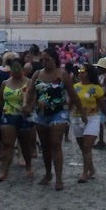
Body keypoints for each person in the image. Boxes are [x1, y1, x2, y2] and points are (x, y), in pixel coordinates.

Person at [30, 48, 76, 191]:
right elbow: (30, 91)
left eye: (47, 59)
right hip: (41, 113)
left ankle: (59, 178)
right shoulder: (37, 74)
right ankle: (48, 173)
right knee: (45, 146)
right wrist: (26, 104)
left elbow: (73, 94)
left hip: (58, 113)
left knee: (56, 143)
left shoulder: (62, 75)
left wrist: (79, 110)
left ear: (54, 59)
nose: (44, 62)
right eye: (42, 60)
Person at [0, 58, 36, 182]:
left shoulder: (29, 83)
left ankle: (28, 165)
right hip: (8, 115)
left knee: (25, 145)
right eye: (14, 68)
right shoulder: (5, 83)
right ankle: (4, 171)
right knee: (8, 144)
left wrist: (29, 108)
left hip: (24, 116)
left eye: (19, 68)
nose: (16, 71)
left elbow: (33, 100)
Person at [73, 65, 104, 183]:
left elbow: (102, 105)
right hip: (77, 119)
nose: (80, 73)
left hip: (93, 118)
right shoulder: (75, 87)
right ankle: (91, 169)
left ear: (89, 73)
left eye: (83, 71)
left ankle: (84, 173)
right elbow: (70, 103)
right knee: (83, 148)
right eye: (79, 71)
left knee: (87, 146)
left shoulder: (96, 88)